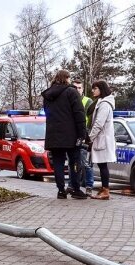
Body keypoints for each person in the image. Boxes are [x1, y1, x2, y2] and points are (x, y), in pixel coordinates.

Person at [42, 70, 86, 199]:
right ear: (67, 78)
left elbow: (47, 113)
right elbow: (79, 113)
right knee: (74, 162)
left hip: (54, 135)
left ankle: (61, 190)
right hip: (71, 135)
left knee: (58, 163)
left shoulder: (48, 94)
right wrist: (82, 133)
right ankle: (76, 189)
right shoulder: (71, 92)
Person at [88, 80, 115, 200]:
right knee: (101, 164)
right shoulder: (101, 102)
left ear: (101, 89)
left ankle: (105, 190)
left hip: (102, 139)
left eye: (95, 88)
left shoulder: (104, 104)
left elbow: (99, 123)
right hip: (101, 139)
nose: (93, 90)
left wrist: (90, 138)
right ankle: (104, 188)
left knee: (103, 165)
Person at [72, 79, 95, 195]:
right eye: (75, 88)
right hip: (71, 135)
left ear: (83, 89)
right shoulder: (69, 100)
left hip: (84, 135)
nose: (77, 90)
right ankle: (71, 186)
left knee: (85, 163)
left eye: (79, 88)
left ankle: (89, 186)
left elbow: (91, 121)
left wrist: (88, 136)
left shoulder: (88, 101)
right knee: (73, 163)